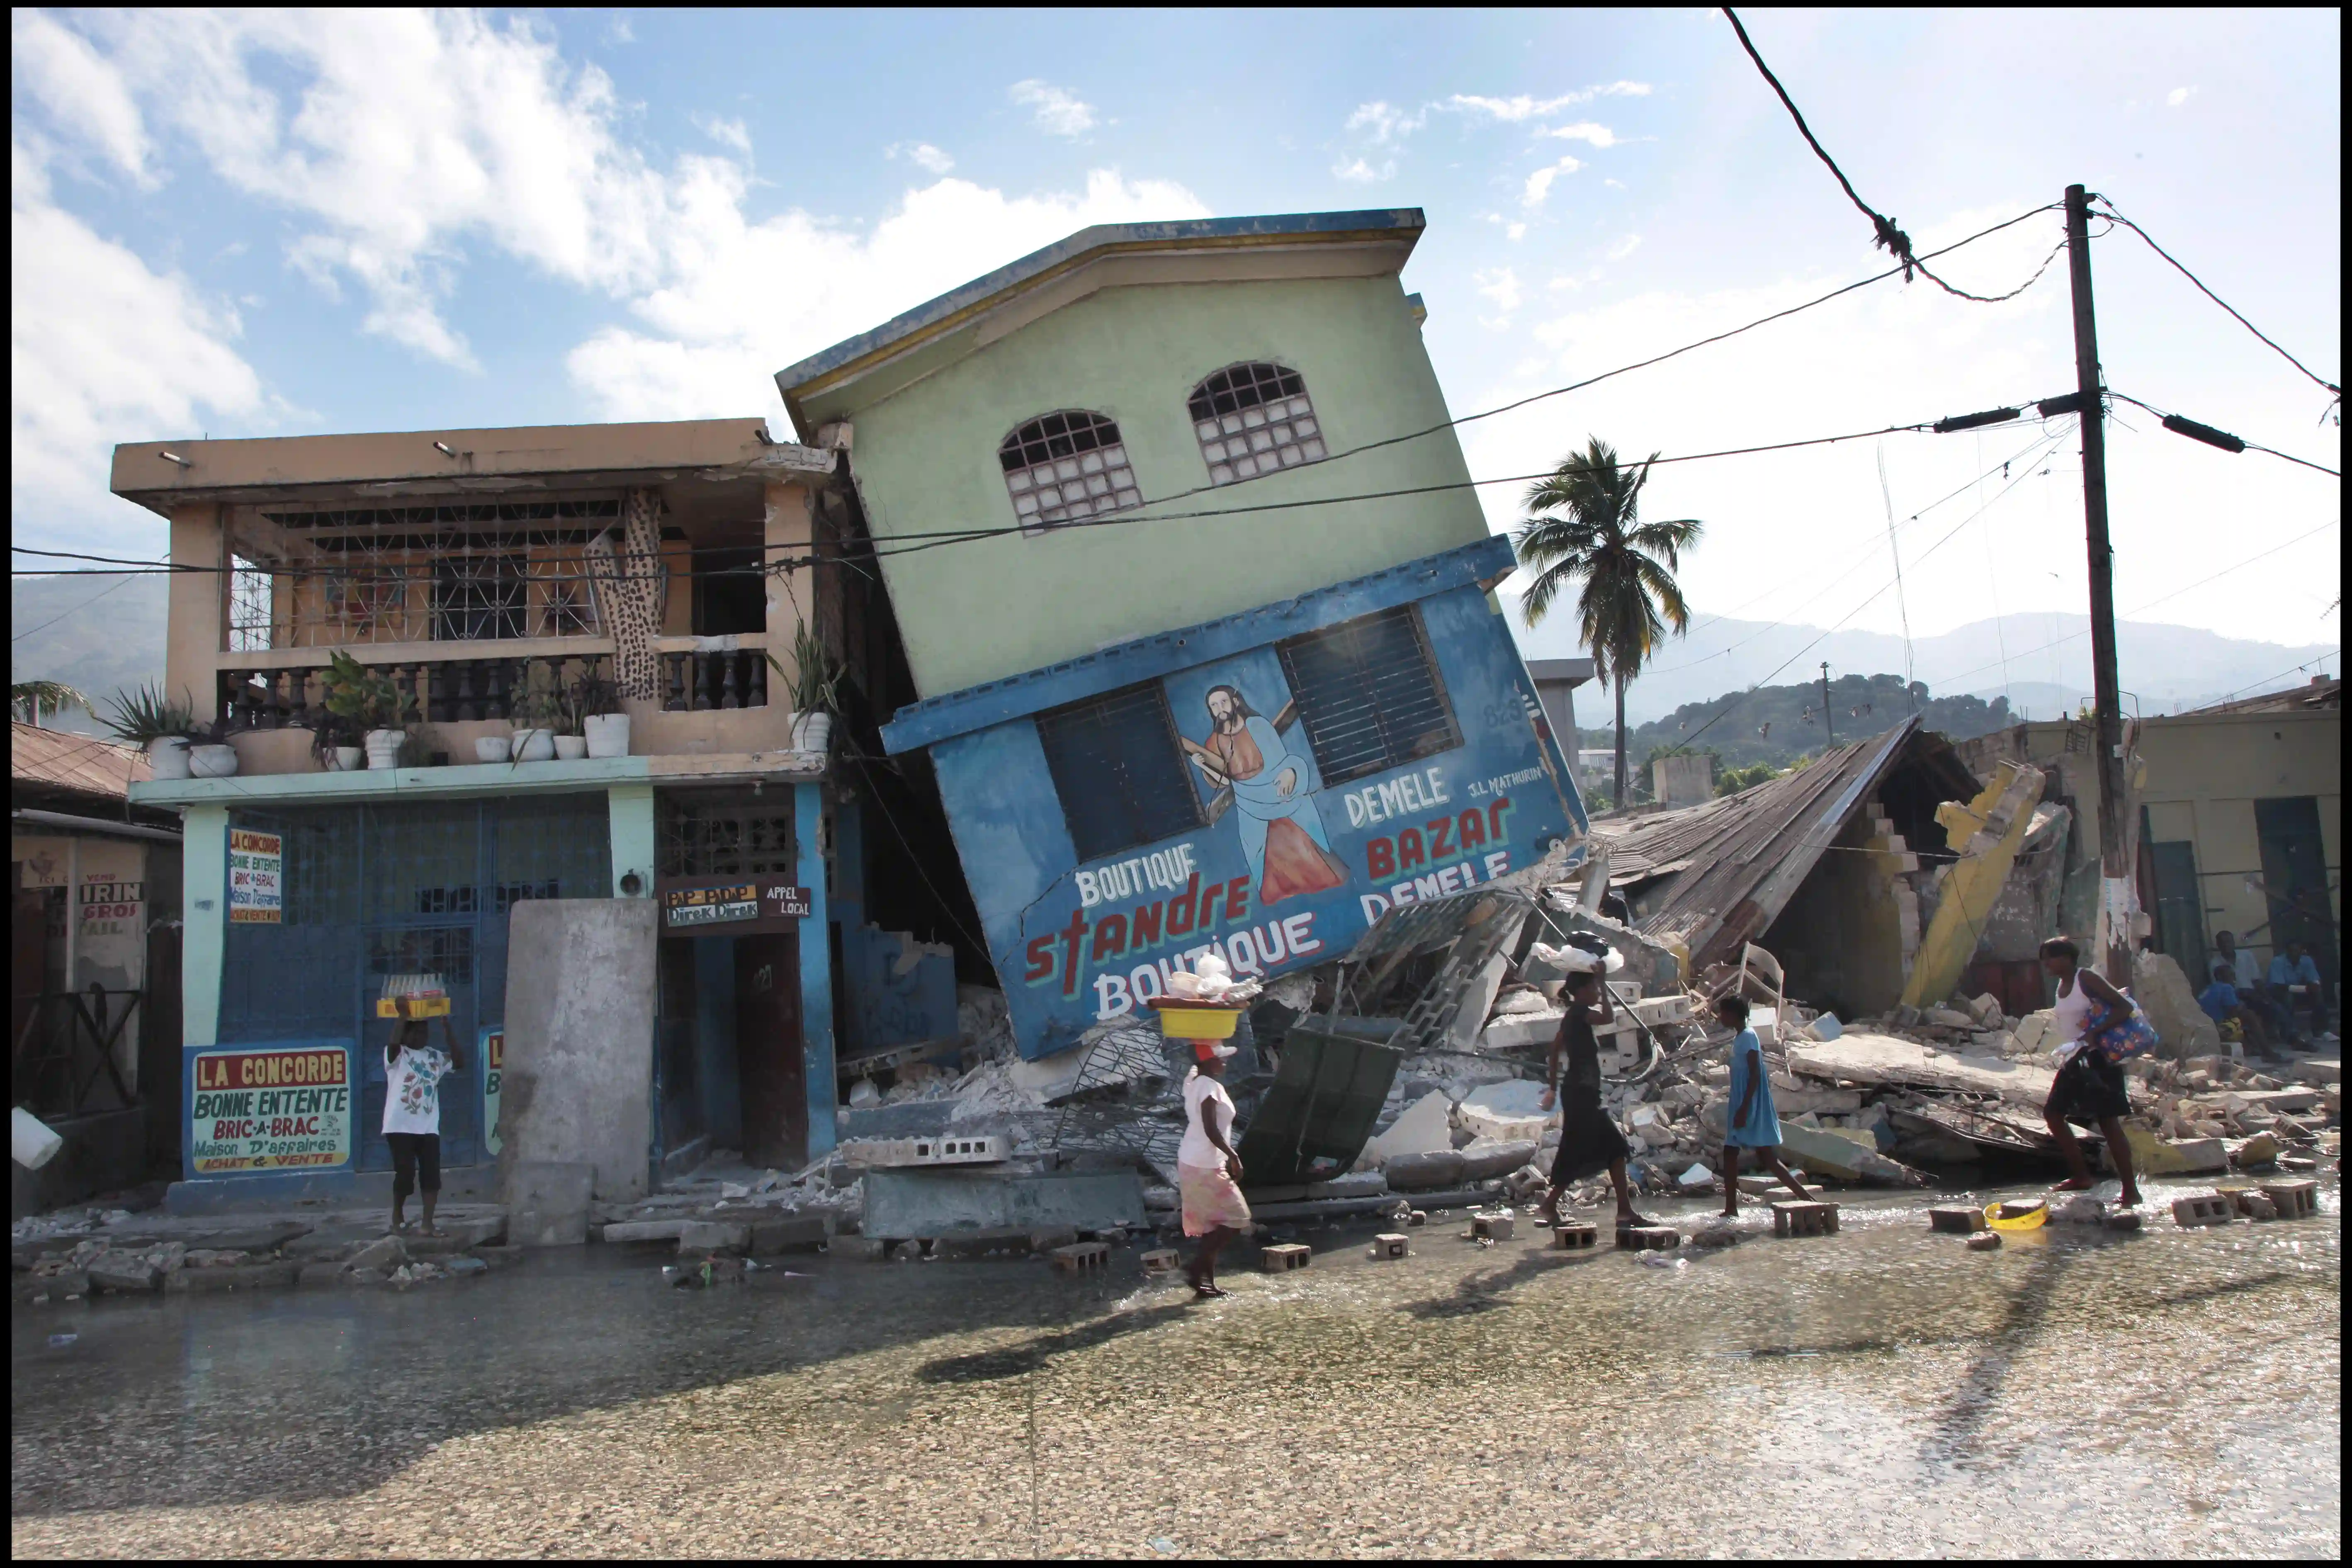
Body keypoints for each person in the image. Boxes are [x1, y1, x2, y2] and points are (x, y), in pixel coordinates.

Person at [1537, 968, 1656, 1229]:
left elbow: (1555, 1049)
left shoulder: (1571, 1017)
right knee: (1615, 1146)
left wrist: (1553, 1088)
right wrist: (1603, 981)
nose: (1596, 992)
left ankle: (1550, 1204)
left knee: (1579, 1149)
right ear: (1580, 993)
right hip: (1581, 1095)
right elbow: (1607, 1017)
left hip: (1580, 1093)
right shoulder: (1578, 1013)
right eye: (1592, 988)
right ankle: (1624, 1212)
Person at [2039, 936, 2143, 1207]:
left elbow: (2124, 1006)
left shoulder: (2087, 978)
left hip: (2099, 1059)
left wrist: (2094, 1032)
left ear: (2066, 958)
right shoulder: (2061, 986)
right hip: (2075, 1058)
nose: (2046, 963)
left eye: (2050, 957)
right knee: (2053, 1113)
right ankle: (2082, 1176)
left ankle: (2131, 1190)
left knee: (2108, 1122)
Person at [1715, 994, 1822, 1218]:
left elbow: (1756, 1073)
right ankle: (1732, 1208)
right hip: (1742, 1102)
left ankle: (1807, 1201)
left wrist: (1745, 1109)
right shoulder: (1740, 1037)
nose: (1720, 1017)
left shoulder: (1748, 1037)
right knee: (1747, 1155)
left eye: (1724, 1013)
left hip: (1749, 1104)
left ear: (1734, 1015)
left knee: (1757, 1156)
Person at [1176, 1039, 1250, 1298]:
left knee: (1213, 1226)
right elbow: (1211, 1128)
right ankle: (1196, 1269)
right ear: (1208, 1062)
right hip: (1204, 1165)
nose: (1225, 1062)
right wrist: (1234, 1156)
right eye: (1221, 1058)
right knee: (1237, 1217)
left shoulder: (1194, 1081)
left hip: (1194, 1160)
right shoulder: (1209, 1086)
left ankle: (1205, 1282)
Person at [382, 1014, 462, 1237]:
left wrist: (448, 1031)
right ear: (406, 1034)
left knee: (431, 1177)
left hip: (428, 1127)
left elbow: (459, 1062)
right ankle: (397, 1215)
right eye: (416, 1032)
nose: (421, 1036)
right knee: (406, 1174)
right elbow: (392, 1046)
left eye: (425, 1032)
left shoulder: (434, 1056)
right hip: (399, 1126)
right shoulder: (399, 1055)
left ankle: (427, 1224)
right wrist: (401, 1017)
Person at [2196, 963, 2272, 1053]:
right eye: (2231, 975)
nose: (2234, 979)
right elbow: (2233, 1012)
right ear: (2220, 976)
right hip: (2218, 1029)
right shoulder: (2226, 987)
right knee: (2250, 1016)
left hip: (2202, 1029)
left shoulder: (2208, 989)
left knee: (2241, 1016)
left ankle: (2249, 1048)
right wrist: (2242, 1006)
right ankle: (2268, 1053)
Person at [2267, 941, 2326, 1036]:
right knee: (2288, 998)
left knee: (2318, 994)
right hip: (2279, 993)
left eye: (2298, 951)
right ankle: (2289, 1031)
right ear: (2287, 952)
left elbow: (2315, 979)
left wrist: (2315, 985)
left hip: (2299, 991)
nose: (2295, 954)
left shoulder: (2307, 960)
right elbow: (2278, 986)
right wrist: (2305, 989)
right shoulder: (2278, 961)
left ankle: (2320, 1030)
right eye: (2292, 951)